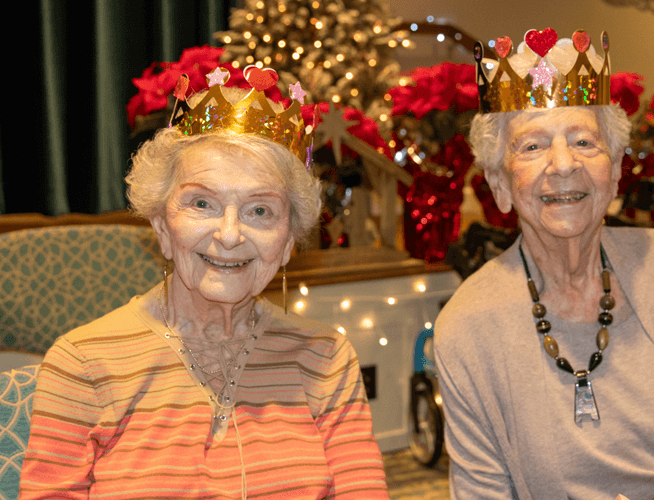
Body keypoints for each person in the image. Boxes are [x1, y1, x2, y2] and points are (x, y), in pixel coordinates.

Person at [433, 29, 654, 500]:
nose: (563, 164)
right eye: (532, 146)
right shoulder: (467, 327)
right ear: (499, 183)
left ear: (618, 169)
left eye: (584, 142)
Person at [19, 69, 389, 499]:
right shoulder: (82, 365)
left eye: (260, 211)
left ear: (288, 242)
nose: (230, 234)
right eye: (202, 203)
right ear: (161, 226)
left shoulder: (327, 360)